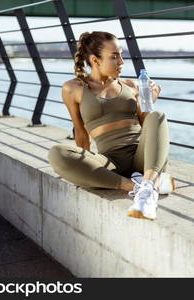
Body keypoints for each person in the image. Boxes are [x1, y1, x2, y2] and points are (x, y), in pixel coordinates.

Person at [47, 31, 176, 221]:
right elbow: (80, 132)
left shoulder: (132, 85)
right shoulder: (73, 88)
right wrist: (84, 164)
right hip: (110, 162)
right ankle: (140, 186)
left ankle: (147, 186)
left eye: (121, 55)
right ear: (95, 60)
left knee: (158, 116)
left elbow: (147, 124)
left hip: (142, 158)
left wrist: (149, 102)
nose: (122, 62)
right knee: (57, 154)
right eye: (114, 57)